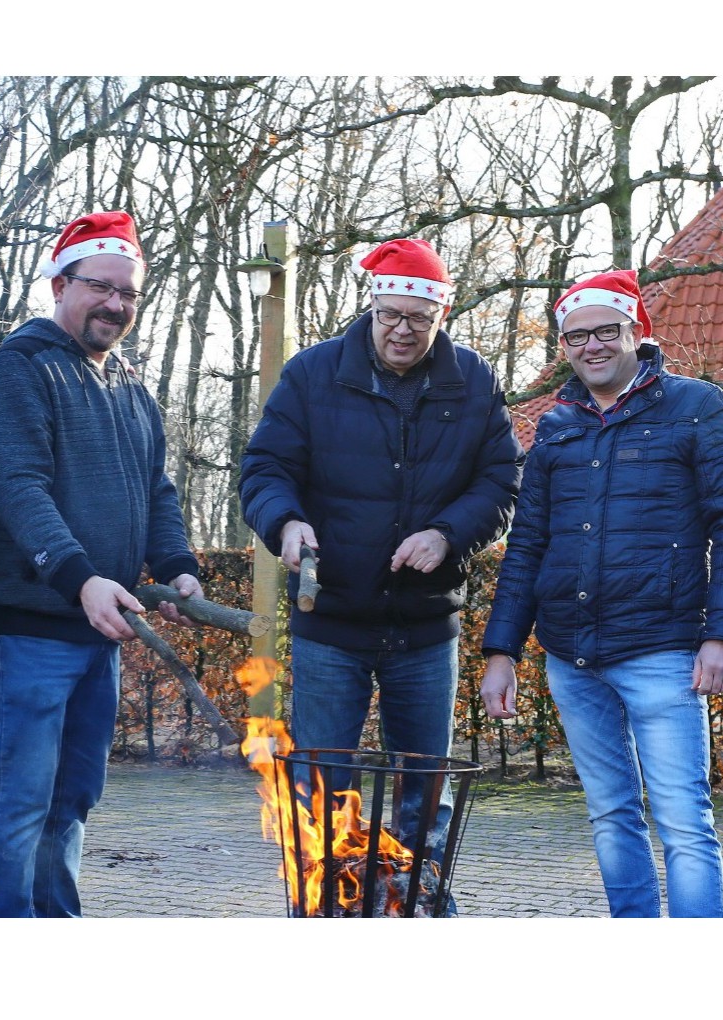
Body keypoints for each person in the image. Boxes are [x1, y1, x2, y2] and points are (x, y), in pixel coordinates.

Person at [479, 269, 723, 918]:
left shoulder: (697, 406)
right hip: (571, 660)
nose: (592, 345)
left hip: (662, 652)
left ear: (638, 332)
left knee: (685, 825)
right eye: (576, 336)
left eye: (607, 330)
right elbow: (527, 546)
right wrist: (503, 652)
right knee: (611, 816)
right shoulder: (555, 426)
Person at [240, 239, 524, 862]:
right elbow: (264, 469)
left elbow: (502, 482)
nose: (402, 331)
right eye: (389, 316)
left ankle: (420, 895)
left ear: (441, 316)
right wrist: (285, 523)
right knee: (321, 783)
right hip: (330, 622)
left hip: (426, 627)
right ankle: (323, 901)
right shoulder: (313, 375)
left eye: (418, 320)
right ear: (371, 308)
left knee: (426, 787)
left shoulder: (473, 381)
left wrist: (447, 533)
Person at [0, 210, 203, 918]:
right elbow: (19, 489)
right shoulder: (17, 372)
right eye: (102, 288)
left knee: (71, 803)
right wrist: (79, 576)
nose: (117, 306)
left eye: (129, 294)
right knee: (20, 806)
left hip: (97, 633)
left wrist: (176, 562)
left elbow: (156, 485)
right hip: (25, 631)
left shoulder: (127, 382)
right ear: (61, 283)